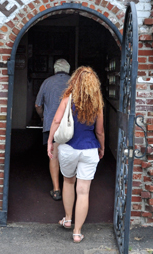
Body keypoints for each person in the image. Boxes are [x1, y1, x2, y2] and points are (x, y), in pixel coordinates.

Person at [47, 66, 104, 243]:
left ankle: (68, 219)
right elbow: (100, 131)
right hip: (89, 149)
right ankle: (77, 233)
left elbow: (56, 121)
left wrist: (50, 141)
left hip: (68, 149)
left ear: (75, 80)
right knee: (84, 191)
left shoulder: (67, 98)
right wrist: (101, 147)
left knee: (69, 182)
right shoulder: (97, 103)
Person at [35, 58, 71, 201]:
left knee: (54, 155)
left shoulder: (47, 82)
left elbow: (37, 105)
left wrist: (43, 117)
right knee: (69, 155)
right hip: (70, 125)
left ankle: (56, 189)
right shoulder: (74, 82)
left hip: (52, 125)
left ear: (55, 69)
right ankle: (69, 186)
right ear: (68, 69)